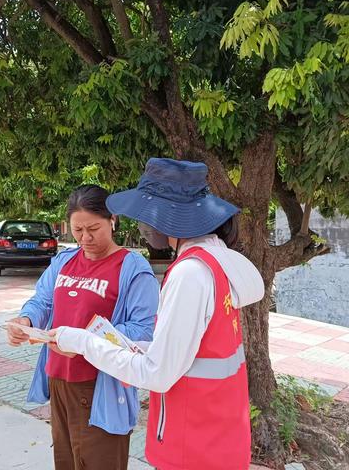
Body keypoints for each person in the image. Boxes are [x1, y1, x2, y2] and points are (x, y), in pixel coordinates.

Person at [51, 159, 265, 470]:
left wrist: (82, 340)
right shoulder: (217, 263)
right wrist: (134, 345)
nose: (143, 226)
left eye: (145, 215)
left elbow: (157, 374)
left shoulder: (189, 274)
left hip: (191, 444)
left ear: (168, 217)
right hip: (220, 435)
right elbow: (194, 351)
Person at [6, 184, 159, 470]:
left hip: (101, 384)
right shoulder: (64, 261)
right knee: (66, 461)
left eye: (94, 228)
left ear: (113, 220)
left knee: (100, 462)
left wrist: (84, 342)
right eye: (77, 230)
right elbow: (42, 301)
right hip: (59, 379)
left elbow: (142, 330)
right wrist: (25, 321)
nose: (85, 238)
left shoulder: (133, 269)